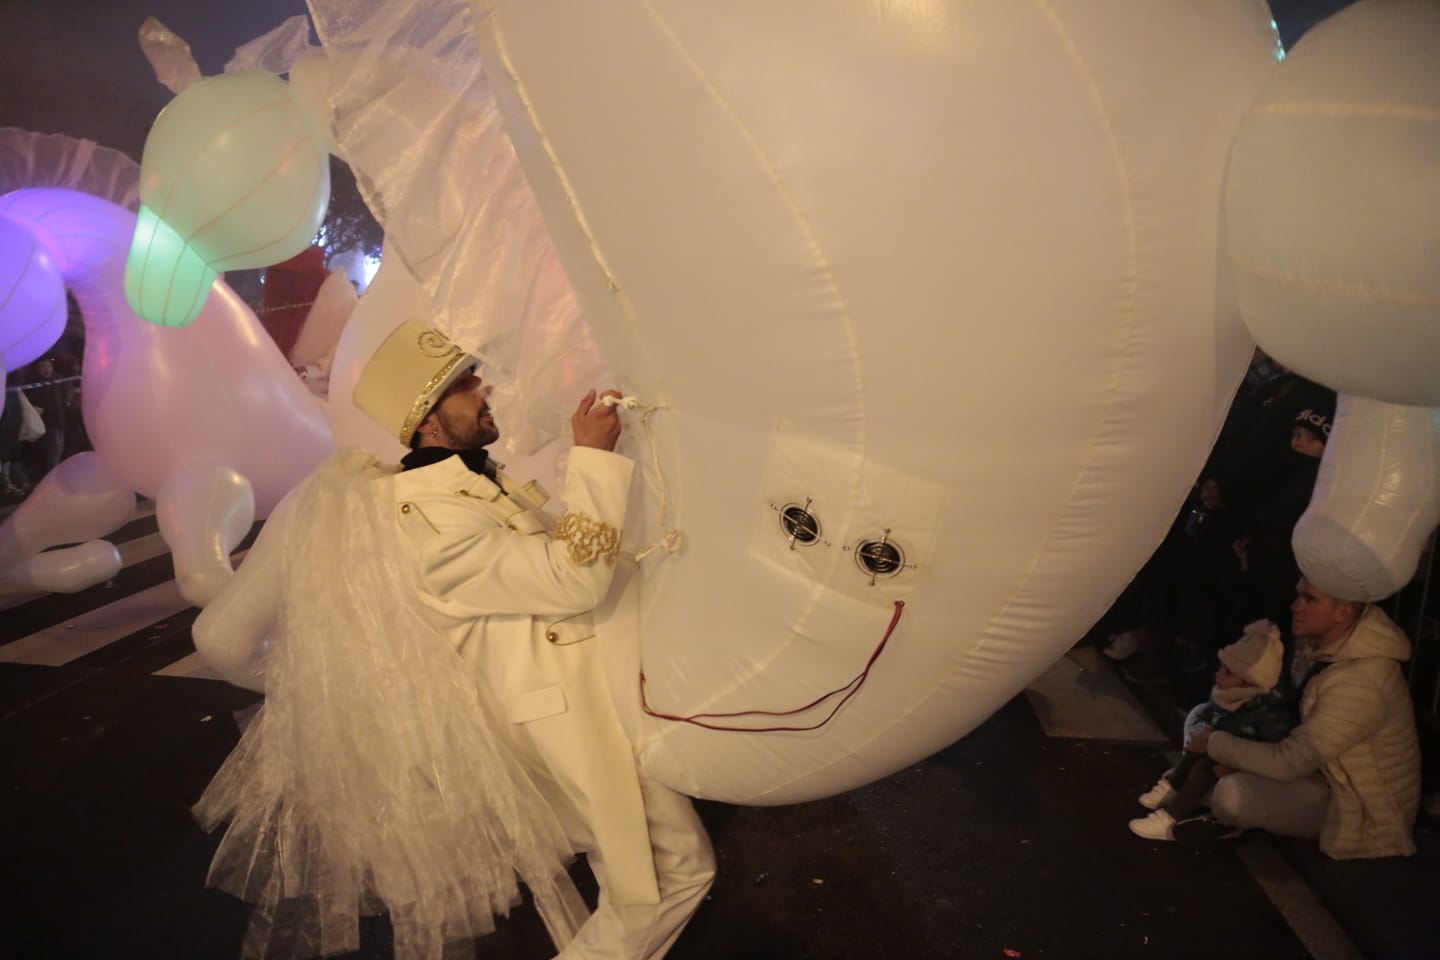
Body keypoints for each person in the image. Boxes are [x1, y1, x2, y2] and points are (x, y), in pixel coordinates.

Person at [192, 320, 714, 959]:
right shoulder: (428, 517)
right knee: (664, 875)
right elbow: (572, 579)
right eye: (462, 386)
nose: (482, 390)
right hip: (562, 720)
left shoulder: (466, 484)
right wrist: (595, 460)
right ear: (428, 424)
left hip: (585, 698)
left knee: (648, 878)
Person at [1187, 578, 1422, 859]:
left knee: (1232, 794)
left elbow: (1289, 762)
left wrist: (1215, 744)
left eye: (1309, 600)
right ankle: (1208, 799)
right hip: (1318, 770)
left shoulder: (1362, 681)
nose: (1295, 606)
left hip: (1354, 807)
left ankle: (1217, 807)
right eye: (1298, 595)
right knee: (1204, 715)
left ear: (1343, 611)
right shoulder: (1319, 646)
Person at [1128, 620, 1290, 841]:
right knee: (1196, 754)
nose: (1219, 676)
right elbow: (1210, 717)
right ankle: (1173, 787)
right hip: (1221, 751)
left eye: (1228, 673)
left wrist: (1231, 766)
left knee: (1204, 767)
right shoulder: (1228, 696)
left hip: (1240, 767)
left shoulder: (1268, 714)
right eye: (1220, 668)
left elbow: (1268, 752)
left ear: (1249, 683)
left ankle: (1171, 817)